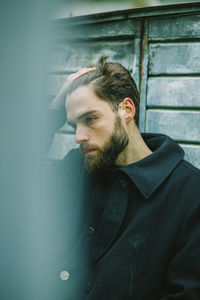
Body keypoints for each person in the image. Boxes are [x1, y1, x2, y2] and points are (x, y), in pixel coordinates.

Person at [49, 56, 200, 299]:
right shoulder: (76, 168)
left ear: (127, 110)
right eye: (73, 125)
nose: (78, 136)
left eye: (90, 119)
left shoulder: (189, 194)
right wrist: (54, 110)